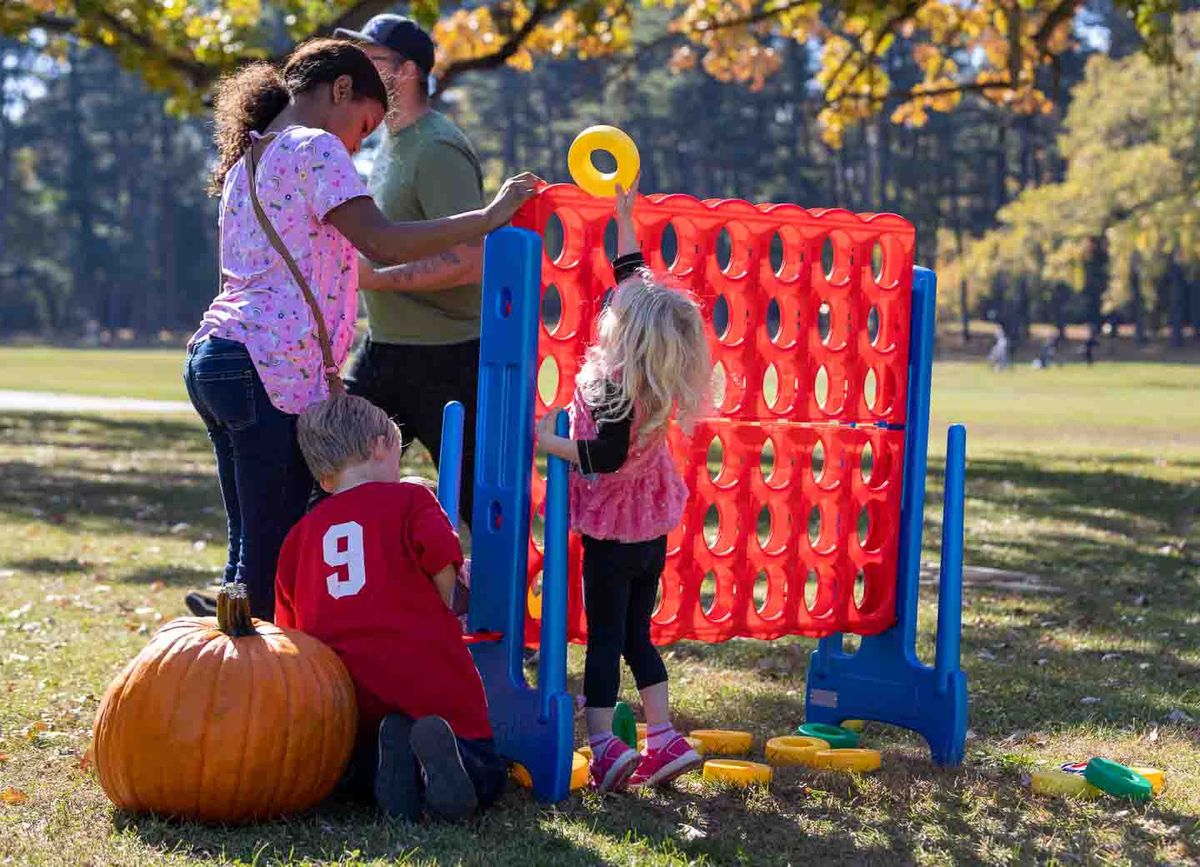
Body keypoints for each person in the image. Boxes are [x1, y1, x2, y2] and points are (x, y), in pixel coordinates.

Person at [183, 39, 536, 620]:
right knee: (271, 543)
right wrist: (487, 218)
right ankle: (266, 691)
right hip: (263, 366)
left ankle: (230, 669)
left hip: (219, 358)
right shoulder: (316, 146)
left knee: (248, 541)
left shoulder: (250, 155)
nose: (358, 146)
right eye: (364, 128)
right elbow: (381, 241)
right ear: (340, 91)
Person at [534, 176, 711, 792]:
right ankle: (664, 737)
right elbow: (634, 277)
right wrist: (625, 217)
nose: (609, 306)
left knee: (606, 635)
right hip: (651, 526)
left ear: (624, 332)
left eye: (615, 310)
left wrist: (546, 440)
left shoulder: (612, 385)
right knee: (639, 631)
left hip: (613, 528)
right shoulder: (655, 371)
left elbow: (602, 456)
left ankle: (605, 745)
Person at [275, 393, 506, 821]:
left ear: (325, 480)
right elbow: (441, 565)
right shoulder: (410, 500)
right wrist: (449, 603)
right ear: (383, 446)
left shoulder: (298, 538)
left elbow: (290, 638)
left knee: (356, 762)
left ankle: (382, 770)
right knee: (484, 761)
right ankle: (453, 772)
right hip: (425, 675)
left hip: (348, 697)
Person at [334, 14, 491, 531]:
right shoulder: (388, 142)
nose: (357, 71)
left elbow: (472, 260)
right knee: (330, 466)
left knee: (479, 503)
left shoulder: (437, 147)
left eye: (372, 61)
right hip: (385, 349)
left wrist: (373, 277)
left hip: (448, 359)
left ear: (406, 72)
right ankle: (299, 598)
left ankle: (502, 611)